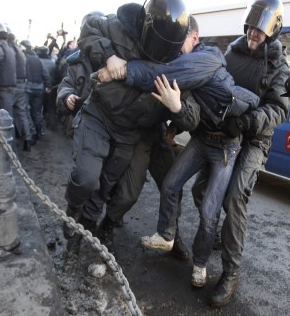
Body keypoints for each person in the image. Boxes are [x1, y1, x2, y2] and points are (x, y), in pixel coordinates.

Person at [95, 16, 259, 265]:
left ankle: (173, 238)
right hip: (137, 132)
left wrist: (176, 107)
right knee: (130, 191)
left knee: (175, 188)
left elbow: (182, 105)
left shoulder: (201, 61)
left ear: (194, 37)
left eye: (179, 39)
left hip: (170, 136)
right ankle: (109, 225)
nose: (172, 45)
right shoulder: (171, 53)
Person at [63, 0, 197, 255]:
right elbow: (89, 28)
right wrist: (109, 55)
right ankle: (72, 211)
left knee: (109, 188)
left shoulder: (180, 63)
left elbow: (192, 113)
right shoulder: (119, 27)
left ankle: (88, 228)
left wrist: (177, 106)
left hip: (132, 131)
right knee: (87, 177)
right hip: (100, 115)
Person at [188, 0, 290, 306]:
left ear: (272, 30)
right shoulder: (231, 53)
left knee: (234, 198)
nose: (252, 33)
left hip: (254, 140)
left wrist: (246, 122)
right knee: (201, 190)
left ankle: (231, 273)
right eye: (250, 27)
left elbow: (278, 110)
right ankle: (218, 235)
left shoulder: (279, 67)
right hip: (221, 133)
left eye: (259, 29)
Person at [20, 39, 51, 142]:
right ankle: (39, 131)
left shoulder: (23, 58)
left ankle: (31, 133)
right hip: (39, 88)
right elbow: (45, 74)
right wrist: (48, 85)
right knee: (37, 112)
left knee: (25, 110)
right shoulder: (38, 59)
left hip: (27, 86)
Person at [7, 31, 33, 151]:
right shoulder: (20, 52)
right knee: (22, 113)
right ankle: (27, 139)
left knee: (8, 114)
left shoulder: (9, 50)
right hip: (22, 84)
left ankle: (10, 143)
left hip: (12, 84)